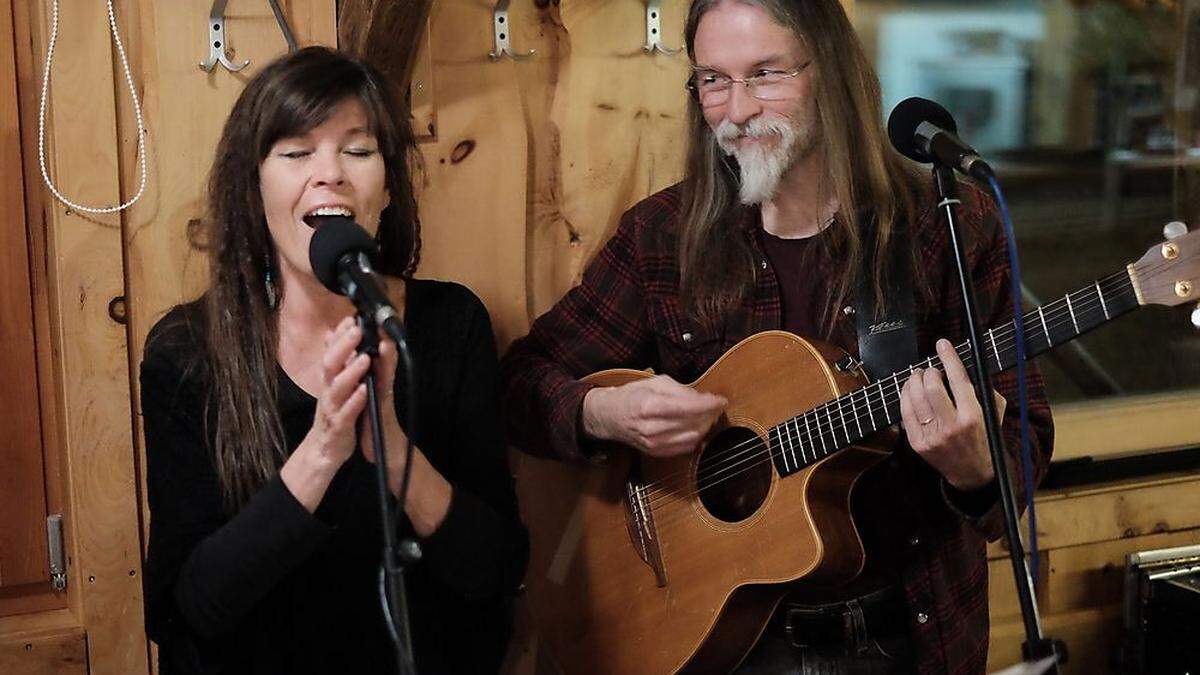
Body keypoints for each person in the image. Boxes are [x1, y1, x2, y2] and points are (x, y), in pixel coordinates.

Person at [500, 1, 1053, 673]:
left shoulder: (946, 226)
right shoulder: (663, 235)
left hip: (906, 636)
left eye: (765, 74)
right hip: (718, 644)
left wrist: (976, 470)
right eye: (712, 80)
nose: (735, 111)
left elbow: (1023, 445)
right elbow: (522, 381)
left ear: (833, 75)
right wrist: (601, 412)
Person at [140, 47, 528, 674]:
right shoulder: (188, 353)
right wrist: (324, 448)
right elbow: (188, 611)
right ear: (253, 188)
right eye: (296, 153)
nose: (331, 174)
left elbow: (497, 570)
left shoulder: (450, 324)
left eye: (357, 150)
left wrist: (392, 450)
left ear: (389, 187)